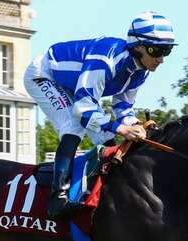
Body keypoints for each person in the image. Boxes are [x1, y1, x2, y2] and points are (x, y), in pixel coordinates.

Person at [24, 11, 176, 219]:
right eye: (156, 50)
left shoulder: (141, 71)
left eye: (166, 51)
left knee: (106, 139)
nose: (161, 59)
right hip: (45, 75)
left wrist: (136, 126)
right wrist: (122, 128)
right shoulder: (105, 61)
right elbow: (83, 109)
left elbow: (123, 109)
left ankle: (107, 192)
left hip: (75, 86)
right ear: (138, 46)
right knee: (73, 124)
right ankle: (57, 197)